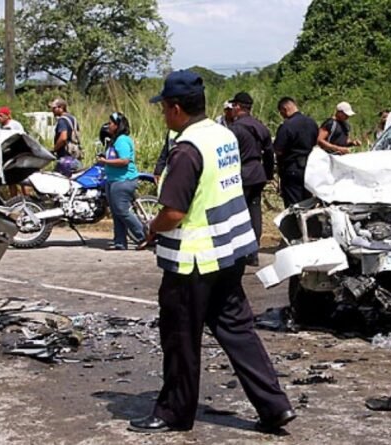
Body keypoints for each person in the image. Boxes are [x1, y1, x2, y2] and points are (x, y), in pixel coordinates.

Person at [129, 70, 294, 435]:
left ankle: (174, 412)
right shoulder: (223, 135)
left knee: (180, 339)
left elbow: (174, 212)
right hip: (229, 254)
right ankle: (274, 406)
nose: (163, 114)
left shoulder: (187, 149)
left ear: (175, 108)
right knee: (239, 332)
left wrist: (152, 228)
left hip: (193, 263)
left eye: (163, 108)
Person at [228, 91, 274, 267]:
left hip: (242, 173)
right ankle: (253, 252)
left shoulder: (235, 128)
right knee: (255, 212)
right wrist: (268, 174)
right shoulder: (260, 126)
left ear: (238, 107)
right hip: (258, 173)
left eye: (233, 106)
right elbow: (269, 152)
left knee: (238, 213)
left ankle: (239, 252)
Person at [96, 112, 145, 250]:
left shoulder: (122, 140)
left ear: (118, 125)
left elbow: (124, 161)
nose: (108, 125)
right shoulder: (114, 140)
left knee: (122, 210)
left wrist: (106, 161)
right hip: (112, 180)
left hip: (123, 180)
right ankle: (120, 241)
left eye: (111, 123)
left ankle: (144, 236)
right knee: (116, 213)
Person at [274, 97, 319, 208]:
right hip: (309, 167)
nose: (282, 115)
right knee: (308, 201)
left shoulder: (286, 126)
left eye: (281, 113)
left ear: (284, 109)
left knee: (293, 204)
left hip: (291, 168)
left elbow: (278, 150)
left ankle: (295, 220)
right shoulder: (312, 123)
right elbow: (315, 142)